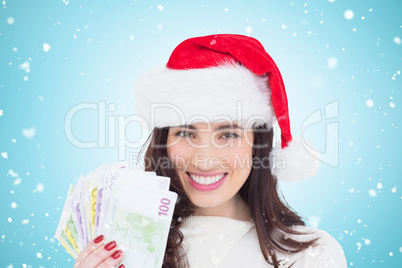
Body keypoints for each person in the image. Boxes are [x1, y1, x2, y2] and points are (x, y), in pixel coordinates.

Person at [74, 34, 347, 268]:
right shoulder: (122, 248)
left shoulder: (310, 255)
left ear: (258, 145)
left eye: (228, 134)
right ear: (163, 142)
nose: (204, 157)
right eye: (185, 132)